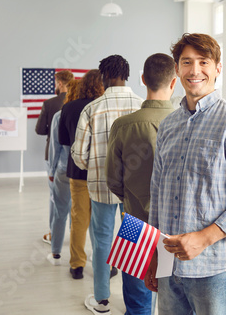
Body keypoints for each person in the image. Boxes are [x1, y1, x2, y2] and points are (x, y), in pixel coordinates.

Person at [145, 33, 226, 315]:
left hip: (215, 268)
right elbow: (157, 192)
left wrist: (203, 238)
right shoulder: (168, 125)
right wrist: (153, 253)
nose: (194, 70)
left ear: (218, 68)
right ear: (177, 69)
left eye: (203, 62)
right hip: (168, 266)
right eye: (187, 62)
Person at [72, 55, 143, 314]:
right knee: (132, 240)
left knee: (102, 239)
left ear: (104, 76)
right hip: (135, 190)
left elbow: (79, 156)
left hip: (101, 187)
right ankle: (134, 301)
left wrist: (94, 166)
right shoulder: (142, 105)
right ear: (126, 75)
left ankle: (102, 299)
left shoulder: (92, 108)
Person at [106, 53, 176, 315]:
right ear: (174, 82)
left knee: (136, 303)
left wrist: (133, 199)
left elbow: (113, 180)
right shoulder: (188, 124)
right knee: (174, 300)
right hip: (178, 228)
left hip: (134, 221)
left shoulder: (123, 125)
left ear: (143, 79)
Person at [58, 71, 105, 277]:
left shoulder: (68, 107)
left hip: (77, 171)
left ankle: (77, 265)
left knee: (78, 219)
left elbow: (64, 141)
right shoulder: (104, 107)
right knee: (102, 222)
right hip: (103, 172)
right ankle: (105, 265)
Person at [36, 70, 74, 244]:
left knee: (55, 197)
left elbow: (39, 130)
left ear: (59, 83)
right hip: (74, 157)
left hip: (53, 155)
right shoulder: (76, 102)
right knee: (76, 199)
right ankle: (75, 235)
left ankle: (54, 234)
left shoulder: (50, 103)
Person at [46, 80, 79, 265]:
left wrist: (51, 170)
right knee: (78, 213)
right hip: (80, 171)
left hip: (62, 170)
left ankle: (56, 252)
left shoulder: (59, 115)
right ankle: (76, 253)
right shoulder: (85, 113)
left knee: (60, 211)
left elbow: (54, 147)